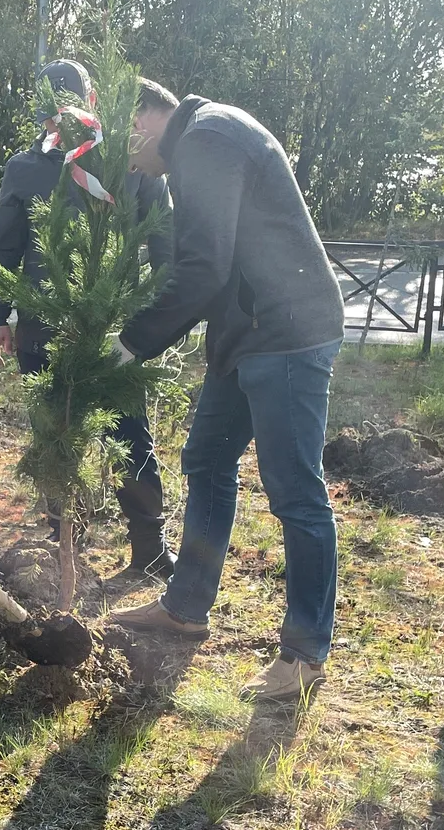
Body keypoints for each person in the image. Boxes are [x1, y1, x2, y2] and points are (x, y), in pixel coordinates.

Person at [113, 80, 346, 702]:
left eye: (120, 140)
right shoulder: (202, 137)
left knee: (295, 491)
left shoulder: (209, 139)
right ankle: (187, 607)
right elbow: (217, 265)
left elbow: (203, 265)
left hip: (287, 332)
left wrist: (128, 343)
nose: (124, 160)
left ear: (144, 118)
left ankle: (304, 652)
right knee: (207, 460)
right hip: (247, 332)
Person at [0, 59, 176, 583]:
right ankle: (63, 542)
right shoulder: (25, 167)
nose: (60, 120)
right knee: (53, 434)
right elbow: (6, 245)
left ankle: (148, 547)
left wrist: (150, 320)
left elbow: (164, 246)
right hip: (42, 328)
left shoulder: (128, 162)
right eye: (51, 109)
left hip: (115, 331)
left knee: (130, 434)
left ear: (93, 100)